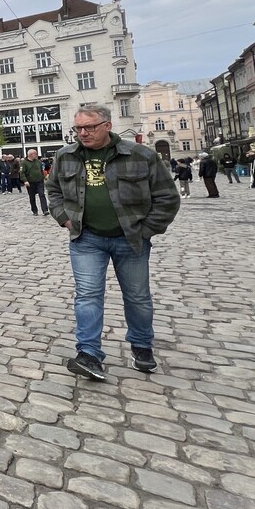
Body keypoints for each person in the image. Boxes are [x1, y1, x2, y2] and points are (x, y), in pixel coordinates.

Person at [46, 105, 181, 381]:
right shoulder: (65, 156)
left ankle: (142, 347)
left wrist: (146, 230)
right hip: (86, 238)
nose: (83, 133)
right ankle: (89, 353)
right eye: (78, 128)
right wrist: (64, 219)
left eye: (89, 127)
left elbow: (167, 196)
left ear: (107, 125)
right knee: (87, 295)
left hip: (130, 238)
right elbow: (54, 189)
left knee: (138, 296)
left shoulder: (140, 154)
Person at [20, 149, 50, 216]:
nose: (36, 155)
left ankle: (45, 210)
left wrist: (43, 177)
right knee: (32, 197)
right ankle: (34, 210)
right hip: (30, 182)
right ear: (30, 155)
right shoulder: (24, 163)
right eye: (35, 154)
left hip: (39, 181)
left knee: (42, 194)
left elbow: (41, 170)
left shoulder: (38, 162)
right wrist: (25, 181)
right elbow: (22, 173)